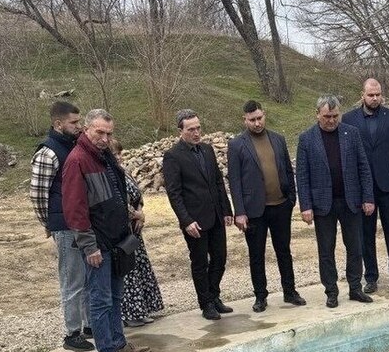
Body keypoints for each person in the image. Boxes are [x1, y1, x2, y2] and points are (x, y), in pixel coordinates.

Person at [62, 109, 151, 352]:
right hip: (98, 244)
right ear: (86, 129)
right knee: (100, 300)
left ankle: (118, 342)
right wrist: (89, 246)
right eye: (99, 132)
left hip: (117, 240)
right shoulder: (77, 160)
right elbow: (75, 210)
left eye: (109, 134)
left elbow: (117, 195)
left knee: (115, 295)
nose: (104, 138)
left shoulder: (105, 156)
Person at [296, 95, 375, 308]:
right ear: (317, 115)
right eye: (327, 116)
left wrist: (368, 197)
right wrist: (306, 206)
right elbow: (302, 176)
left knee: (355, 247)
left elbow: (363, 167)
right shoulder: (307, 139)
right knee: (326, 250)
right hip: (323, 204)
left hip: (351, 201)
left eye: (335, 116)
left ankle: (355, 288)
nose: (331, 120)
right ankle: (331, 291)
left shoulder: (352, 133)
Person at [227, 101, 306, 313]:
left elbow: (287, 170)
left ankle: (290, 291)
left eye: (259, 118)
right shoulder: (237, 145)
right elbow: (235, 181)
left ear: (264, 115)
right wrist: (239, 212)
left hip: (281, 206)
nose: (257, 123)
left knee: (284, 251)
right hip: (254, 211)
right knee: (257, 255)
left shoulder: (278, 139)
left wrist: (291, 198)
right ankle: (260, 296)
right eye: (252, 120)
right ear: (245, 120)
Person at [30, 100, 93, 352]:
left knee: (87, 277)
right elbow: (38, 194)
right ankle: (72, 334)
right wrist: (48, 222)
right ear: (58, 124)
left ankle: (89, 325)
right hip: (65, 225)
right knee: (72, 279)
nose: (79, 126)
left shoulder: (73, 146)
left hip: (81, 223)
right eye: (73, 122)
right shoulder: (48, 152)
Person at [342, 78, 389, 293]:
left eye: (378, 94)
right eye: (370, 95)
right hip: (363, 187)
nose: (374, 98)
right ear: (362, 95)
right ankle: (371, 277)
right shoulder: (349, 119)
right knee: (366, 233)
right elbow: (347, 154)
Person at [162, 110, 234, 321]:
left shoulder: (207, 150)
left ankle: (214, 295)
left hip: (215, 216)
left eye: (198, 128)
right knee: (200, 262)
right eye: (191, 129)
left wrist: (226, 209)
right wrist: (186, 221)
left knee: (220, 259)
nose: (196, 133)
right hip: (195, 221)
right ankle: (206, 303)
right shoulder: (173, 156)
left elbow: (218, 181)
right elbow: (174, 193)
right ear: (180, 131)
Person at [110, 139, 164, 327]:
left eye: (119, 153)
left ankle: (143, 309)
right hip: (122, 228)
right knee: (128, 271)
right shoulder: (109, 174)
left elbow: (138, 195)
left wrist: (140, 211)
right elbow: (117, 200)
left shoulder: (123, 171)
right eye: (114, 154)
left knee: (139, 266)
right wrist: (136, 214)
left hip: (135, 230)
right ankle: (130, 313)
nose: (118, 157)